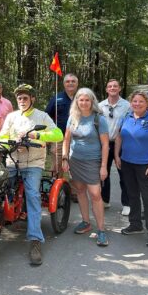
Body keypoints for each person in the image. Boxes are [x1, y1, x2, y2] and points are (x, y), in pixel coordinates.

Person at [0, 84, 63, 266]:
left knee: (33, 196)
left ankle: (35, 240)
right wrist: (9, 145)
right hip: (12, 161)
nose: (21, 101)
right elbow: (2, 137)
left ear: (32, 99)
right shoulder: (11, 117)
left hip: (33, 164)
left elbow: (58, 134)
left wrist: (37, 135)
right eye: (19, 98)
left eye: (25, 98)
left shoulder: (42, 116)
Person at [114, 91, 148, 248]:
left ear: (147, 104)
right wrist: (117, 155)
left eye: (141, 101)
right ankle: (135, 224)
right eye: (134, 101)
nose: (137, 104)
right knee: (132, 196)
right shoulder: (127, 117)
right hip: (127, 163)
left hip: (147, 165)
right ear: (131, 103)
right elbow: (119, 137)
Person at [62, 88, 110, 247]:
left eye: (87, 100)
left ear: (92, 102)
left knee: (95, 194)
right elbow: (66, 140)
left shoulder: (98, 119)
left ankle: (101, 230)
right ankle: (86, 222)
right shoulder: (72, 118)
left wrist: (103, 166)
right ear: (76, 101)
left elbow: (105, 144)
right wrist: (65, 158)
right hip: (75, 161)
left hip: (92, 161)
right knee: (80, 191)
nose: (83, 103)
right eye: (80, 100)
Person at [98, 79, 131, 215]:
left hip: (121, 143)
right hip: (104, 144)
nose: (112, 88)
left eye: (115, 86)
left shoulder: (127, 105)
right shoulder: (100, 106)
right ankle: (105, 200)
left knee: (124, 173)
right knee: (103, 172)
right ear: (106, 89)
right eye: (110, 86)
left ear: (119, 89)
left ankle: (127, 203)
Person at [45, 73, 79, 197]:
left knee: (75, 165)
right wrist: (48, 135)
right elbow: (46, 116)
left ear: (77, 83)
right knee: (57, 165)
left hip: (78, 138)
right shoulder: (57, 98)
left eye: (73, 81)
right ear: (64, 84)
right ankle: (55, 191)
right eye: (68, 81)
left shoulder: (82, 98)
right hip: (59, 137)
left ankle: (74, 192)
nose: (70, 83)